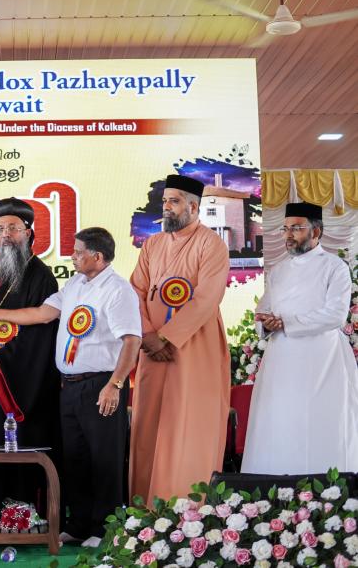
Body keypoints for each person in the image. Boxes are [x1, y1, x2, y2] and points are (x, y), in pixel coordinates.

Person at [0, 227, 141, 547]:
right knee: (75, 458)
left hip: (101, 384)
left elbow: (132, 341)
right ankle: (79, 524)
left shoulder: (118, 290)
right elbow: (42, 314)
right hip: (69, 386)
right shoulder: (75, 283)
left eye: (78, 252)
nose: (72, 257)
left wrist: (115, 384)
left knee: (103, 459)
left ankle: (105, 529)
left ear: (98, 256)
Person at [129, 174, 230, 503]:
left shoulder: (211, 244)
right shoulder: (153, 244)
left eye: (174, 201)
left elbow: (206, 298)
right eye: (164, 202)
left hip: (193, 348)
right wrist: (147, 334)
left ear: (193, 207)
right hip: (151, 350)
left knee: (187, 422)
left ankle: (186, 508)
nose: (167, 208)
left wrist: (167, 338)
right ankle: (144, 509)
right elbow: (136, 291)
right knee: (148, 423)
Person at [243, 202, 357, 473]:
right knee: (281, 421)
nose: (288, 235)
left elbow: (335, 315)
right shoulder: (279, 270)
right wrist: (267, 324)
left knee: (321, 420)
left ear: (316, 232)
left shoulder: (335, 267)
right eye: (285, 229)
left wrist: (287, 323)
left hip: (323, 359)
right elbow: (263, 309)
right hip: (281, 359)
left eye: (296, 228)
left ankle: (329, 487)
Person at [0, 197, 59, 524]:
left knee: (18, 444)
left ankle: (19, 518)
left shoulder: (41, 276)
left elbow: (40, 335)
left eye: (13, 228)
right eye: (0, 229)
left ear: (28, 233)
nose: (6, 234)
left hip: (21, 383)